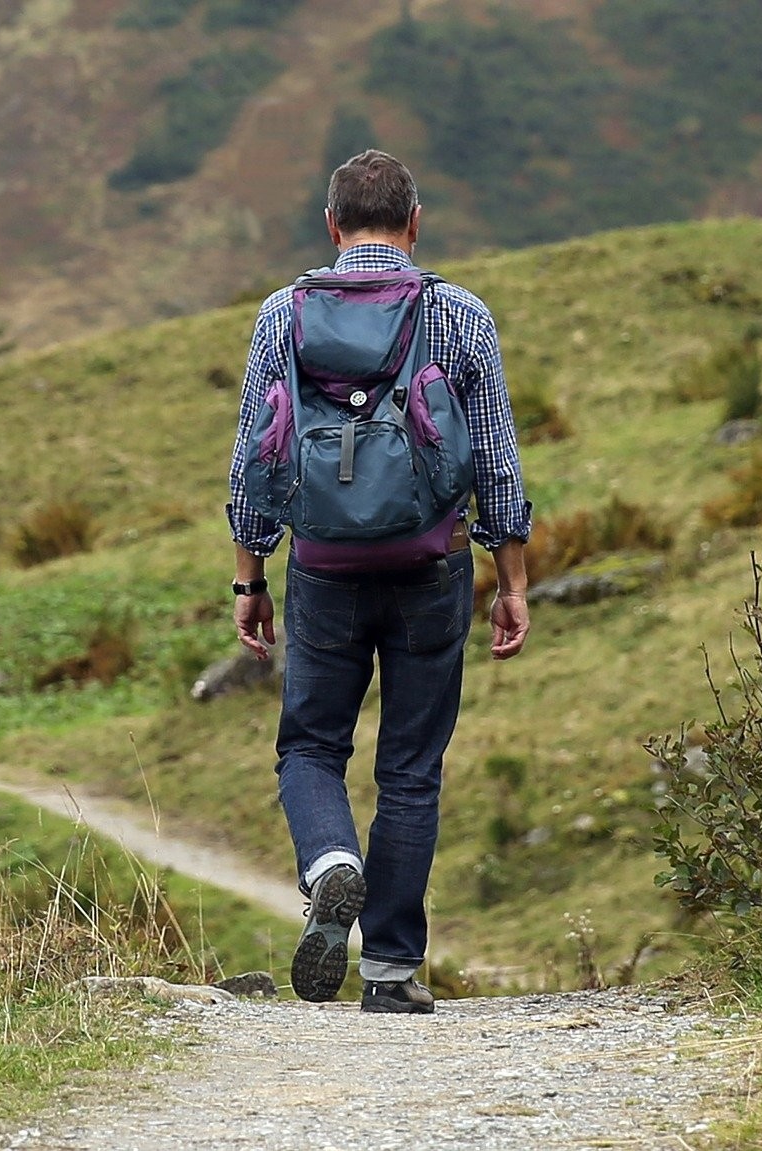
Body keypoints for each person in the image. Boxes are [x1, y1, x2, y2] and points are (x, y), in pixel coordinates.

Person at [225, 149, 532, 1014]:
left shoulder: (283, 315)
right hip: (432, 565)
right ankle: (391, 970)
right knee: (410, 766)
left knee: (311, 745)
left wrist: (249, 576)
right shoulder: (459, 314)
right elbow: (499, 462)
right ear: (414, 221)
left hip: (322, 567)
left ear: (331, 226)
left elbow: (255, 454)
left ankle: (331, 862)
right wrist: (511, 578)